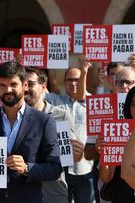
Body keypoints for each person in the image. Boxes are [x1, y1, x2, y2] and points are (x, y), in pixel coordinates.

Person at [0, 61, 61, 202]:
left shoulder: (43, 122)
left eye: (13, 84)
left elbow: (55, 168)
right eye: (3, 85)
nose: (8, 90)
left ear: (24, 85)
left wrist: (26, 168)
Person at [24, 67, 84, 203]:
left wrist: (78, 154)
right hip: (23, 193)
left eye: (31, 84)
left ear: (43, 87)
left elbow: (71, 156)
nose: (26, 88)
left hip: (53, 194)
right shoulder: (13, 117)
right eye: (23, 84)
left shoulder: (61, 115)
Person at [45, 56, 95, 203]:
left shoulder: (93, 102)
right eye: (70, 80)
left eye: (77, 79)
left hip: (86, 167)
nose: (74, 83)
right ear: (64, 82)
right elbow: (34, 91)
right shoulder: (53, 100)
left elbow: (81, 96)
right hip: (61, 167)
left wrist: (84, 70)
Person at [99, 84, 135, 203]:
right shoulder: (117, 131)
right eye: (133, 104)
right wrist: (104, 152)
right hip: (122, 195)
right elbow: (106, 178)